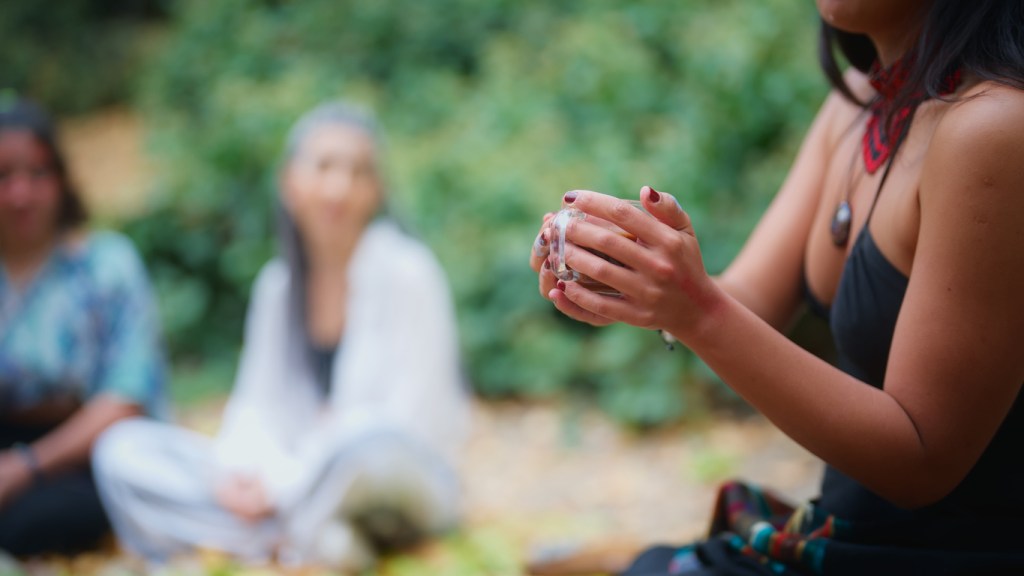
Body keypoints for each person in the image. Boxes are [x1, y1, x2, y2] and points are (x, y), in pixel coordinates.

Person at [530, 1, 1024, 574]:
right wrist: (630, 273)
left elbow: (922, 460)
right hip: (839, 530)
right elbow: (748, 300)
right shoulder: (858, 104)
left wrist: (698, 311)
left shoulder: (997, 130)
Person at [93, 102, 470, 571]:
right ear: (290, 183)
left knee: (363, 440)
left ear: (377, 190)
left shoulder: (410, 273)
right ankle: (316, 540)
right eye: (324, 166)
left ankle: (278, 536)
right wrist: (243, 475)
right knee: (123, 450)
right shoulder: (276, 288)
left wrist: (285, 480)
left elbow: (412, 423)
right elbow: (255, 407)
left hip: (392, 483)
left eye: (358, 171)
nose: (339, 187)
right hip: (293, 488)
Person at [0, 96, 169, 556]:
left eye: (37, 174)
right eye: (4, 177)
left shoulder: (105, 266)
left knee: (41, 521)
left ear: (61, 180)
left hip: (81, 452)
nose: (21, 194)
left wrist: (24, 466)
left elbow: (126, 397)